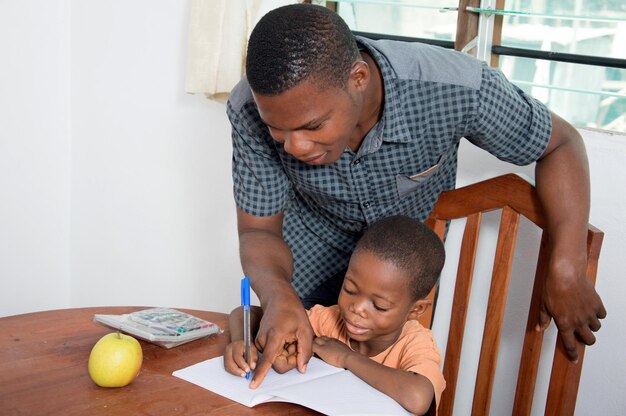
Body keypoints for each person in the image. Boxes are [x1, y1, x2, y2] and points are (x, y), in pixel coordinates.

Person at [226, 4, 606, 387]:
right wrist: (277, 294)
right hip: (304, 268)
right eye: (278, 132)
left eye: (312, 126)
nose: (294, 147)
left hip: (400, 281)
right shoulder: (248, 107)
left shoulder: (454, 89)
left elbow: (560, 145)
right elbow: (259, 231)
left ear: (358, 77)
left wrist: (567, 264)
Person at [224, 216, 446, 415]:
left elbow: (418, 398)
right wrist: (241, 342)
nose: (356, 308)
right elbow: (245, 314)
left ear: (415, 310)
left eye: (379, 305)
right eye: (350, 289)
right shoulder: (328, 319)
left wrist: (347, 358)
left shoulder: (416, 343)